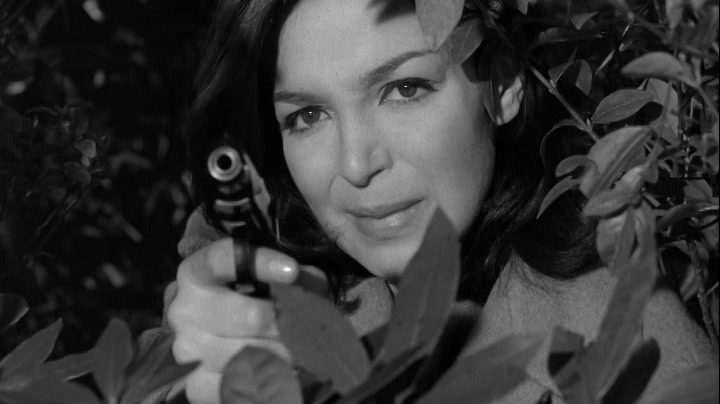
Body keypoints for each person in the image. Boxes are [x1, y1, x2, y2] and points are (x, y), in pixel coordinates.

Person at [162, 0, 716, 402]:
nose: (355, 164)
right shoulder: (254, 280)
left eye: (404, 89)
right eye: (307, 116)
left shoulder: (627, 337)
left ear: (502, 86)